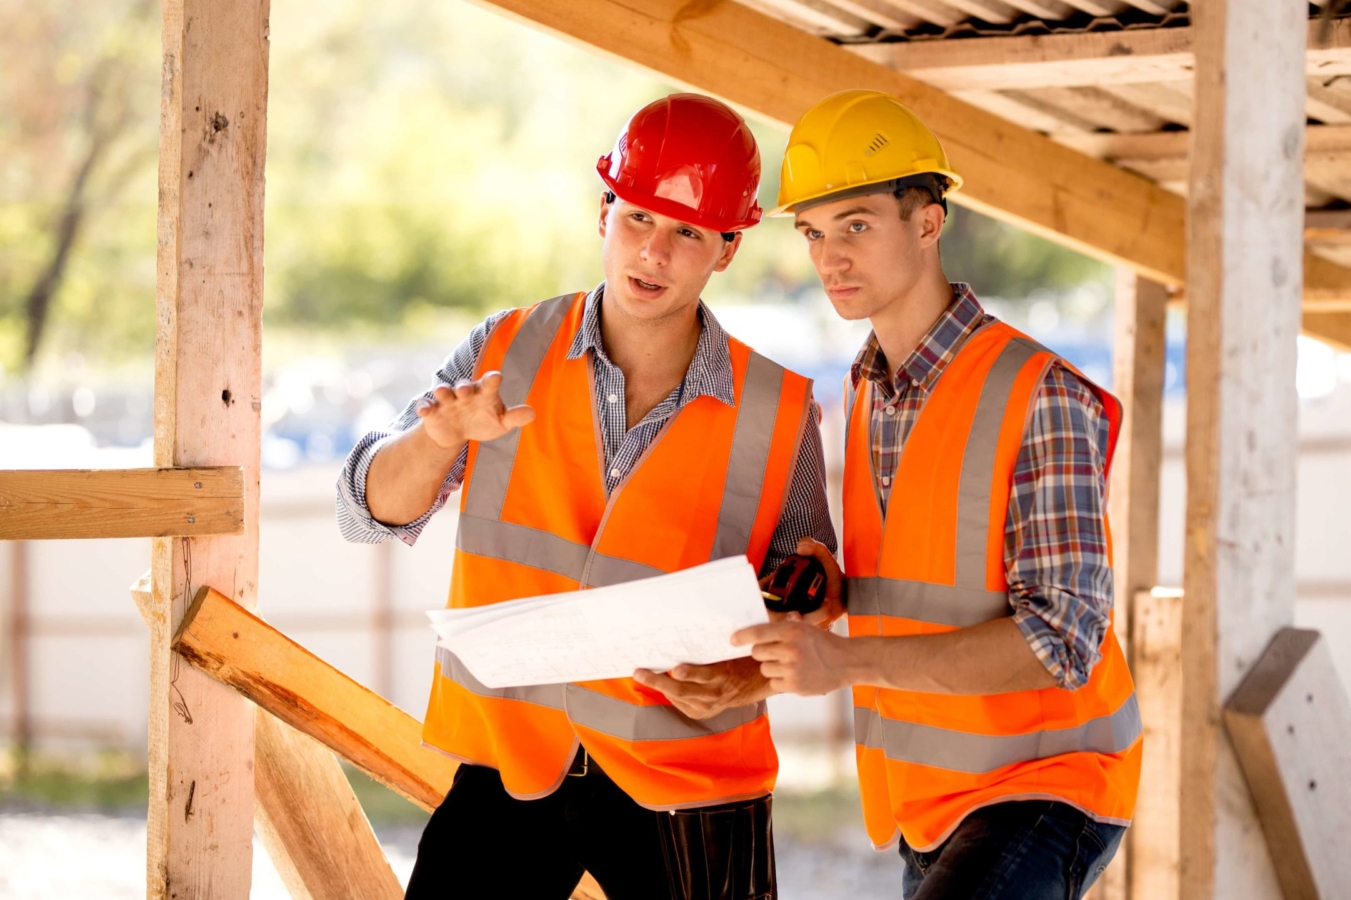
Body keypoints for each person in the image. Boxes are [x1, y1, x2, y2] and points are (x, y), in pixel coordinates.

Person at [336, 93, 836, 900]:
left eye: (688, 233)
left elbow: (812, 590)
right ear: (603, 209)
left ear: (728, 249)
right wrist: (437, 440)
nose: (655, 252)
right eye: (637, 217)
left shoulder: (777, 409)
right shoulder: (503, 350)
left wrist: (754, 670)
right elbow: (364, 511)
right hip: (513, 765)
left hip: (690, 780)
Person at [735, 90, 1141, 900]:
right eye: (813, 233)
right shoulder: (863, 390)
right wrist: (832, 596)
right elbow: (930, 579)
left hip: (1048, 782)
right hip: (928, 793)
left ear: (929, 222)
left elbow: (1062, 640)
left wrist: (844, 660)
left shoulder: (1039, 393)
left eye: (855, 224)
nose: (829, 259)